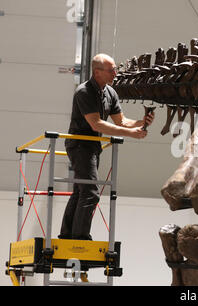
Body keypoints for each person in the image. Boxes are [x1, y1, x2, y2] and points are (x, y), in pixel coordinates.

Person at [59, 53, 154, 240]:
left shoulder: (110, 93)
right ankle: (80, 239)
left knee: (81, 190)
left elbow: (122, 121)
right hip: (80, 145)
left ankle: (67, 235)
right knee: (90, 192)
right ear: (97, 72)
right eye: (111, 70)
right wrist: (131, 134)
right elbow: (97, 124)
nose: (115, 73)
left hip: (93, 147)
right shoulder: (84, 92)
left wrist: (140, 122)